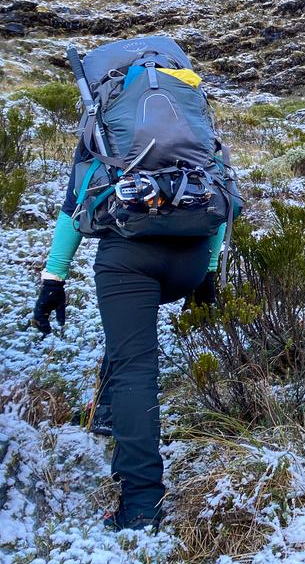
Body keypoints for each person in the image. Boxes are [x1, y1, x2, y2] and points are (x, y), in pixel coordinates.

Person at [32, 136, 225, 532]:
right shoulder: (192, 126)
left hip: (129, 257)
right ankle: (106, 410)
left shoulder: (103, 126)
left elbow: (74, 206)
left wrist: (54, 278)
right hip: (191, 254)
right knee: (127, 337)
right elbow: (219, 198)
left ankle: (140, 502)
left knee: (136, 364)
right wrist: (207, 272)